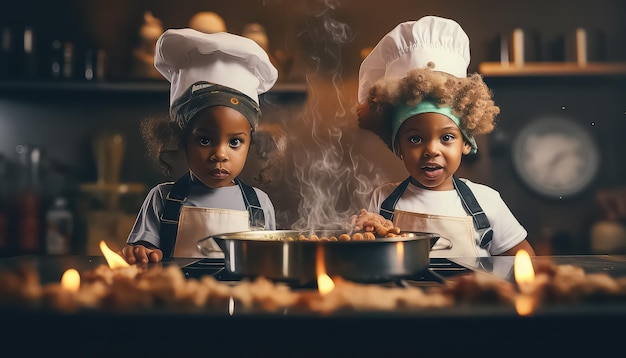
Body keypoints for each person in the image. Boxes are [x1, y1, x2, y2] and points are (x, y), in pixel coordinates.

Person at [350, 16, 535, 257]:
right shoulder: (382, 200)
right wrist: (363, 233)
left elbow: (522, 257)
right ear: (397, 147)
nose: (431, 150)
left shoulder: (487, 201)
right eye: (415, 139)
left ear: (466, 143)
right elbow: (366, 255)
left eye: (446, 138)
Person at [121, 28, 282, 264]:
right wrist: (140, 252)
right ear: (180, 139)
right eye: (205, 140)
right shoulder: (161, 199)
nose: (219, 154)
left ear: (252, 143)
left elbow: (270, 263)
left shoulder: (260, 204)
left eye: (235, 142)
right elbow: (142, 253)